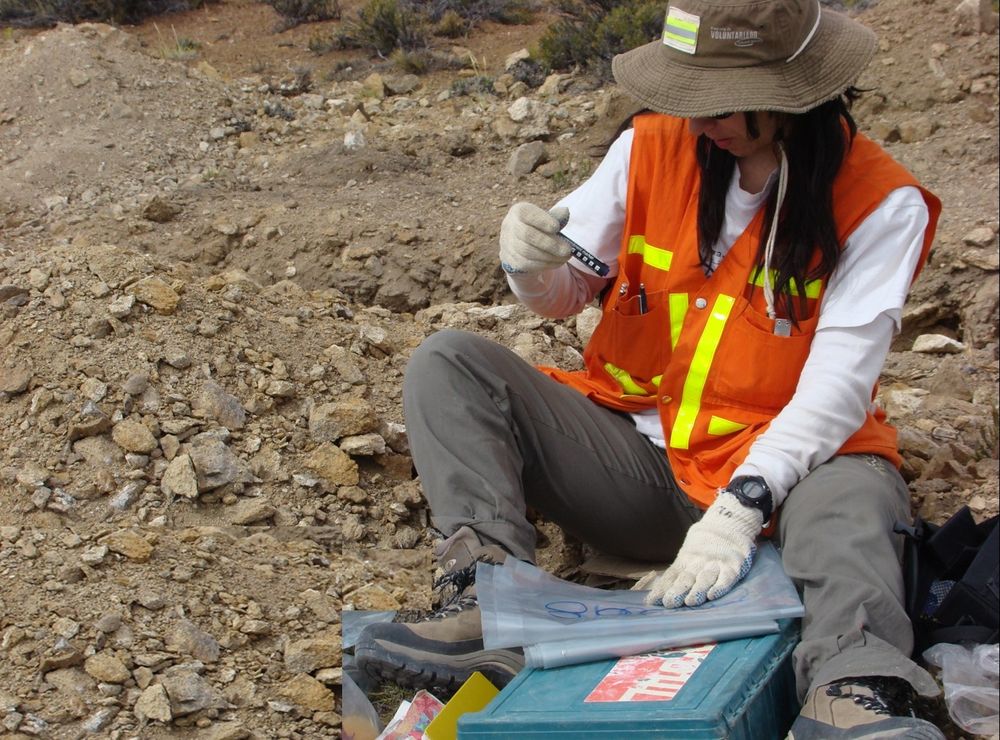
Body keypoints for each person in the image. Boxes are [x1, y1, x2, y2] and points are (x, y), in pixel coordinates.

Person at [356, 0, 947, 737]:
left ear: (792, 91)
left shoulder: (879, 203)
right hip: (641, 466)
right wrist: (528, 267)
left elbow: (836, 389)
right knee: (449, 364)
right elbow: (568, 287)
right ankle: (487, 602)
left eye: (722, 101)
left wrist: (742, 507)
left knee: (855, 499)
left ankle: (852, 689)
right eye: (688, 95)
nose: (700, 121)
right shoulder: (650, 149)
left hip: (788, 483)